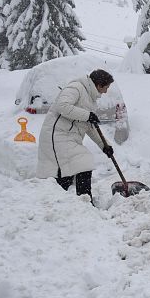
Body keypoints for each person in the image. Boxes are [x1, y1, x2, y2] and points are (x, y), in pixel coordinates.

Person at [36, 69, 115, 203]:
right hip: (56, 135)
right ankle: (83, 202)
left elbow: (89, 127)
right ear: (99, 84)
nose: (106, 91)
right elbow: (62, 106)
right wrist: (87, 115)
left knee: (70, 170)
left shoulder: (90, 99)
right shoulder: (76, 87)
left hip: (68, 138)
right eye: (106, 87)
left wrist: (105, 145)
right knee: (79, 163)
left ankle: (70, 203)